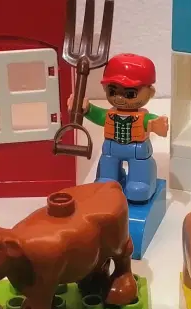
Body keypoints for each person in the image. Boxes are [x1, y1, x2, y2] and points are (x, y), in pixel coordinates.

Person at [71, 53, 168, 203]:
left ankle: (141, 182)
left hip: (137, 150)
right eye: (112, 91)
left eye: (130, 93)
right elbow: (99, 116)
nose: (119, 98)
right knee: (107, 165)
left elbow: (152, 121)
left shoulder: (142, 117)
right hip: (111, 149)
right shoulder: (110, 114)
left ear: (150, 93)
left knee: (140, 168)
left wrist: (157, 125)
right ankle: (108, 179)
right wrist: (86, 109)